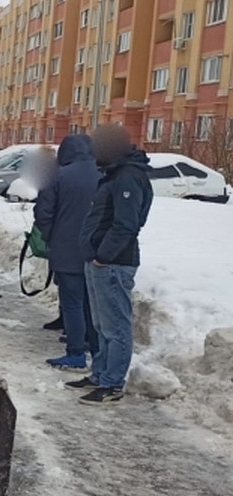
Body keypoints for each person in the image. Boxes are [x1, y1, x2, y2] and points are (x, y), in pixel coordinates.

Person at [71, 124, 153, 405]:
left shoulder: (128, 177)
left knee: (115, 326)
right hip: (100, 262)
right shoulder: (113, 174)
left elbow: (126, 225)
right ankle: (100, 374)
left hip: (114, 263)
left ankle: (112, 383)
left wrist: (102, 256)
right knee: (100, 324)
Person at [34, 135, 101, 370]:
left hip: (66, 250)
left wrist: (52, 236)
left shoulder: (58, 176)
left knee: (72, 302)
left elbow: (43, 213)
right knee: (90, 304)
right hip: (97, 252)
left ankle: (75, 353)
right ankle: (96, 351)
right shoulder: (104, 174)